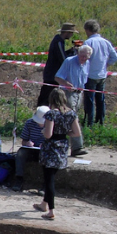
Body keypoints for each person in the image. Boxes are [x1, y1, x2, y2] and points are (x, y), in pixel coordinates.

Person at [34, 89, 82, 221]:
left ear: (51, 100)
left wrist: (43, 131)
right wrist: (65, 134)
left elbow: (48, 134)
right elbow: (77, 133)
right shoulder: (71, 114)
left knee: (49, 180)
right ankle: (44, 204)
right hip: (62, 147)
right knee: (52, 176)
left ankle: (51, 210)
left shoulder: (51, 114)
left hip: (51, 148)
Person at [55, 44, 92, 156]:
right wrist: (67, 84)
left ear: (89, 56)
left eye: (85, 57)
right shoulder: (69, 61)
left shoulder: (87, 64)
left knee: (72, 119)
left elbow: (84, 79)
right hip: (67, 93)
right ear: (77, 53)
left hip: (79, 94)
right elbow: (57, 77)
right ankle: (75, 147)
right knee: (70, 119)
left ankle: (74, 147)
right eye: (81, 56)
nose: (83, 59)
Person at [82, 19, 117, 127]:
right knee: (100, 99)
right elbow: (115, 57)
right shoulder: (106, 42)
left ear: (87, 30)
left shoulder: (88, 42)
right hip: (102, 74)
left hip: (90, 75)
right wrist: (106, 64)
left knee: (89, 100)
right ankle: (101, 121)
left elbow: (84, 59)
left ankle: (89, 123)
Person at [37, 23, 78, 107]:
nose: (72, 35)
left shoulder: (59, 41)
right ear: (67, 32)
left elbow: (61, 55)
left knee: (48, 96)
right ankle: (40, 113)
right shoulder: (58, 41)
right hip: (52, 73)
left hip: (53, 73)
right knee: (46, 96)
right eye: (71, 33)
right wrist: (73, 53)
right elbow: (63, 59)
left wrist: (70, 51)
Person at [11, 105, 48, 192]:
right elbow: (23, 141)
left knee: (47, 156)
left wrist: (45, 145)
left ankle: (46, 184)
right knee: (20, 153)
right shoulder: (29, 123)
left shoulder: (51, 125)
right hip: (31, 149)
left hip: (44, 150)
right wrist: (27, 143)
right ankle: (19, 179)